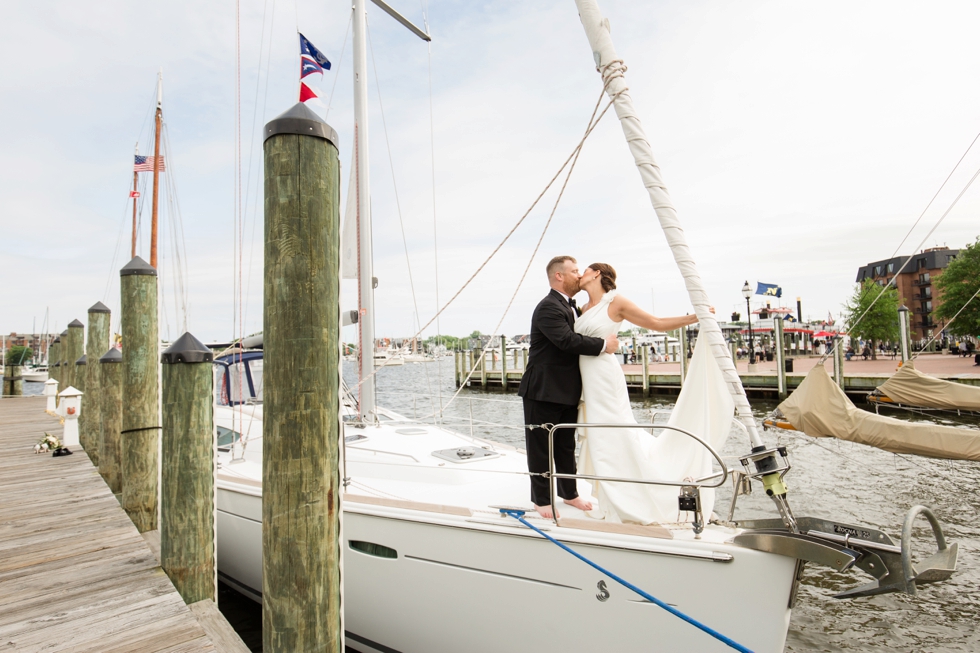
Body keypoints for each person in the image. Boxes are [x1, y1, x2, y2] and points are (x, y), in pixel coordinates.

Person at [574, 262, 714, 524]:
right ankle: (609, 496)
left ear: (596, 274)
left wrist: (694, 317)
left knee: (611, 432)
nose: (580, 274)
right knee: (598, 433)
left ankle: (630, 497)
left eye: (584, 270)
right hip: (588, 379)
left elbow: (656, 323)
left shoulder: (615, 302)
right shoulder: (582, 309)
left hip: (604, 376)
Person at [517, 256, 619, 519]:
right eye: (574, 271)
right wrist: (602, 345)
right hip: (542, 390)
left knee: (565, 446)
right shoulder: (548, 307)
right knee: (540, 447)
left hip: (567, 390)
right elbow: (566, 340)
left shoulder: (574, 306)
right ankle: (541, 500)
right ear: (559, 276)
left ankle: (569, 493)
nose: (578, 275)